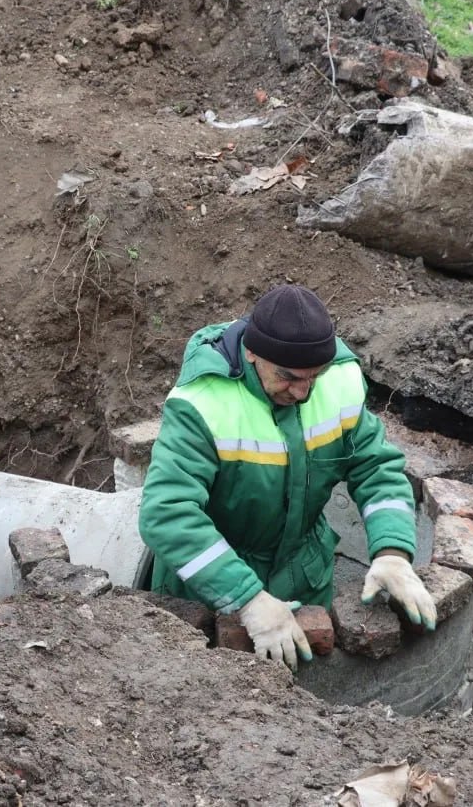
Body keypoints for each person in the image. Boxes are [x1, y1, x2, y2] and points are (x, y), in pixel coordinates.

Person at [138, 284, 437, 671]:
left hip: (305, 572)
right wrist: (246, 598)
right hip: (208, 585)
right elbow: (166, 514)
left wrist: (392, 552)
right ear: (251, 352)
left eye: (315, 375)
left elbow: (375, 468)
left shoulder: (338, 384)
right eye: (288, 377)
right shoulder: (204, 403)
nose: (302, 391)